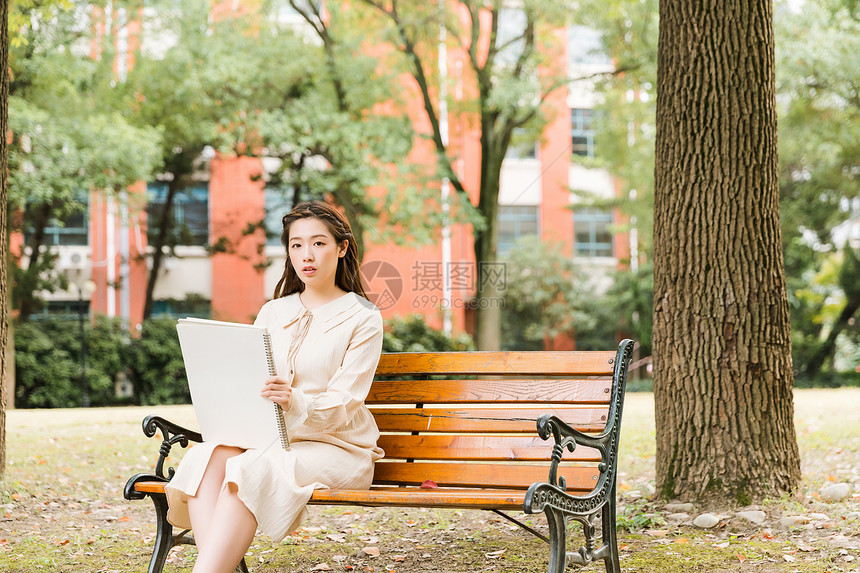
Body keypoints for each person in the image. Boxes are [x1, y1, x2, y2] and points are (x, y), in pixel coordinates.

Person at [164, 201, 384, 573]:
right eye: (296, 245)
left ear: (341, 247)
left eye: (318, 243)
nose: (306, 255)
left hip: (338, 447)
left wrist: (295, 400)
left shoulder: (362, 317)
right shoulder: (273, 312)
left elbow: (346, 403)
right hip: (270, 440)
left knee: (251, 467)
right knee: (205, 457)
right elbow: (249, 378)